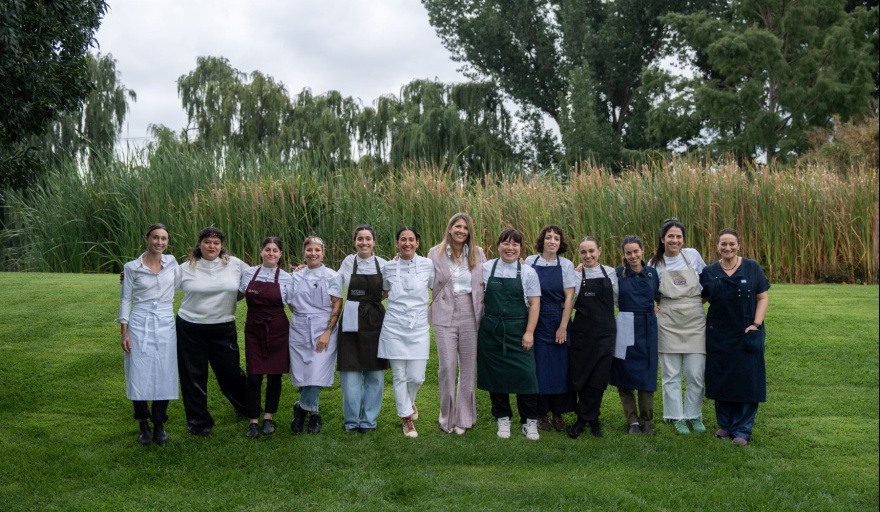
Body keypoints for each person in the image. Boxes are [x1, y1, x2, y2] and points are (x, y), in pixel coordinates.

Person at [176, 226, 249, 436]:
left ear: (221, 245)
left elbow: (259, 276)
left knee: (231, 373)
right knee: (193, 376)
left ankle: (247, 408)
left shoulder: (235, 264)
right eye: (207, 242)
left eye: (216, 243)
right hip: (190, 327)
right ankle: (199, 423)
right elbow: (160, 284)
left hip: (223, 326)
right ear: (199, 244)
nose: (211, 246)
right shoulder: (185, 268)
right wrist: (134, 278)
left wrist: (296, 273)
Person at [700, 228, 770, 446]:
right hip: (718, 335)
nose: (727, 248)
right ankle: (725, 425)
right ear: (717, 246)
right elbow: (696, 301)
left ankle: (742, 429)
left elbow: (762, 297)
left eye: (731, 244)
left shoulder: (752, 267)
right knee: (722, 379)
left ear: (739, 245)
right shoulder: (709, 272)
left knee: (747, 381)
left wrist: (756, 325)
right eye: (723, 244)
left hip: (746, 333)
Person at [117, 223, 179, 446]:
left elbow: (188, 279)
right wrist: (124, 332)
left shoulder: (172, 263)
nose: (159, 242)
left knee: (164, 370)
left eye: (163, 239)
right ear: (147, 239)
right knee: (139, 370)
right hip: (140, 320)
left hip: (165, 321)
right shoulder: (132, 268)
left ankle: (159, 423)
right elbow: (126, 299)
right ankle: (143, 423)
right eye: (155, 238)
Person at [478, 228, 542, 441]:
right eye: (506, 243)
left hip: (518, 331)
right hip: (492, 332)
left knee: (527, 376)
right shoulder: (485, 268)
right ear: (498, 246)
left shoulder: (527, 272)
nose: (510, 248)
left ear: (520, 248)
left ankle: (529, 421)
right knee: (496, 378)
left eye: (515, 244)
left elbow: (534, 304)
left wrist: (529, 332)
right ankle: (502, 418)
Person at [427, 213, 486, 435]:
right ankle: (447, 417)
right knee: (447, 367)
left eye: (466, 227)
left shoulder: (478, 253)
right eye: (457, 226)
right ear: (449, 228)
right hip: (444, 312)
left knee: (469, 368)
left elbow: (489, 276)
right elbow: (423, 276)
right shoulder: (435, 253)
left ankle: (464, 417)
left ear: (469, 231)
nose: (461, 230)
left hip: (471, 311)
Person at [649, 218, 708, 435]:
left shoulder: (692, 255)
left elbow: (708, 281)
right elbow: (647, 290)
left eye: (679, 236)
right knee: (671, 373)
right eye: (670, 236)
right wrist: (653, 307)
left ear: (683, 239)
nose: (675, 240)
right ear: (663, 239)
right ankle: (676, 416)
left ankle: (694, 414)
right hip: (668, 320)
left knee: (695, 373)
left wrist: (696, 304)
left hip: (694, 320)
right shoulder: (654, 264)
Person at [379, 227, 435, 438]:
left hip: (418, 327)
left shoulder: (428, 265)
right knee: (399, 375)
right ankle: (407, 418)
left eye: (411, 240)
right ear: (397, 244)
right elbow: (384, 291)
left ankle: (409, 402)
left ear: (417, 243)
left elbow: (436, 287)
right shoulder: (389, 267)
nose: (407, 243)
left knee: (417, 376)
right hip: (394, 326)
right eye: (403, 240)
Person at [287, 236, 343, 435]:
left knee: (317, 373)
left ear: (323, 253)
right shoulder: (295, 277)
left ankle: (301, 408)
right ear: (303, 253)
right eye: (309, 250)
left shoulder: (332, 276)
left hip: (323, 328)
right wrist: (303, 319)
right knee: (304, 374)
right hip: (300, 328)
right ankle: (314, 415)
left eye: (317, 250)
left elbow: (337, 302)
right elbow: (291, 302)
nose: (313, 254)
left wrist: (327, 331)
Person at [336, 225, 389, 433]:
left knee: (375, 373)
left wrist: (371, 301)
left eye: (368, 238)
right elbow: (332, 279)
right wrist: (305, 268)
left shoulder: (383, 264)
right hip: (351, 319)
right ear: (355, 241)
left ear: (374, 241)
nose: (364, 242)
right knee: (350, 373)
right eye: (360, 239)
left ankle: (369, 421)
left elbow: (386, 290)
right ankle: (351, 421)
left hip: (375, 320)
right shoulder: (348, 262)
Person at [524, 225, 577, 433]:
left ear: (560, 242)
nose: (552, 241)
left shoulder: (566, 265)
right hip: (536, 319)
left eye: (556, 238)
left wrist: (563, 327)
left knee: (560, 370)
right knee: (539, 369)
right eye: (548, 237)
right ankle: (541, 414)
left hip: (558, 318)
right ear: (542, 241)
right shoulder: (530, 262)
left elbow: (569, 297)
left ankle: (558, 414)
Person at [239, 237, 291, 438]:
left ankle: (268, 417)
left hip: (278, 330)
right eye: (267, 250)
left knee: (275, 376)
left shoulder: (287, 278)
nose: (271, 253)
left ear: (280, 254)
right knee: (254, 377)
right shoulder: (249, 273)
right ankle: (253, 420)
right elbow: (237, 294)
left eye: (275, 250)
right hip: (254, 329)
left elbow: (293, 304)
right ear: (261, 252)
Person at [567, 236, 618, 439]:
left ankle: (584, 419)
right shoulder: (575, 275)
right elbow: (568, 302)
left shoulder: (611, 273)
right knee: (582, 376)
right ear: (579, 254)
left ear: (599, 251)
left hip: (605, 333)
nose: (588, 255)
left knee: (599, 378)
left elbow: (618, 300)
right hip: (582, 333)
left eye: (591, 251)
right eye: (583, 252)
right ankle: (590, 418)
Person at [609, 235, 660, 435]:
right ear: (624, 254)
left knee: (647, 372)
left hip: (647, 326)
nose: (633, 256)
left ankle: (646, 421)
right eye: (628, 252)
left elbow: (658, 296)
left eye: (635, 251)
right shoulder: (617, 273)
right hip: (625, 324)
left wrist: (656, 308)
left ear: (642, 250)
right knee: (624, 373)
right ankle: (632, 421)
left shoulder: (651, 273)